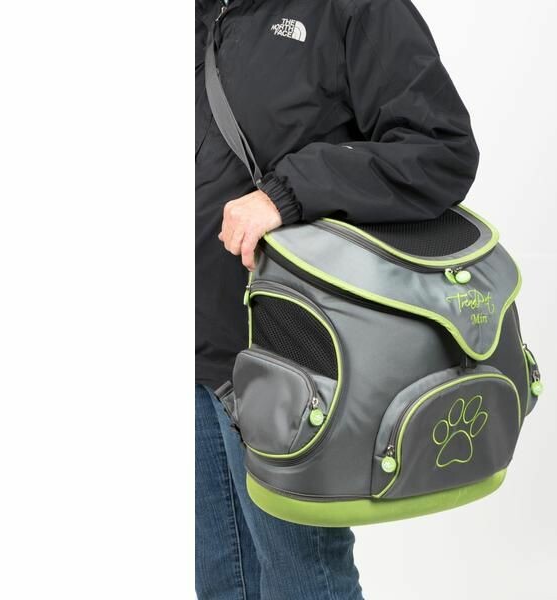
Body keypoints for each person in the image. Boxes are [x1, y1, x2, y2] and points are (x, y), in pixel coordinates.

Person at [195, 0, 479, 597]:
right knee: (221, 583)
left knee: (303, 580)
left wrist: (287, 192)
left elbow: (441, 149)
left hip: (287, 362)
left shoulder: (352, 8)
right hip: (197, 350)